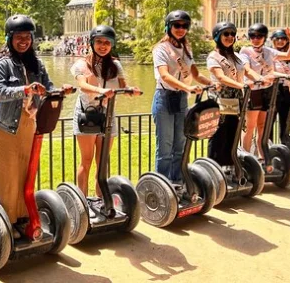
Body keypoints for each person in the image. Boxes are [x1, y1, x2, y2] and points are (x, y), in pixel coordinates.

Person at [0, 15, 72, 237]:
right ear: (9, 38)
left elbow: (47, 87)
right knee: (6, 175)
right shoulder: (1, 62)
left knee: (24, 172)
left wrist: (61, 90)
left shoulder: (36, 63)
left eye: (27, 37)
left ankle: (22, 217)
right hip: (3, 125)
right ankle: (5, 223)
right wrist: (25, 89)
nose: (24, 41)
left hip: (27, 123)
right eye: (19, 37)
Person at [71, 25, 141, 200]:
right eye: (99, 42)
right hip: (87, 114)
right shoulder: (82, 64)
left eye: (107, 43)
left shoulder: (115, 65)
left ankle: (101, 198)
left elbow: (123, 86)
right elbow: (82, 85)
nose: (103, 46)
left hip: (107, 114)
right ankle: (82, 201)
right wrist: (100, 91)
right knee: (86, 160)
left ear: (112, 45)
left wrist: (131, 90)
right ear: (92, 43)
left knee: (102, 161)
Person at [152, 11, 213, 183]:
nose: (181, 29)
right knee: (165, 148)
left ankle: (178, 181)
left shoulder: (187, 48)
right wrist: (187, 87)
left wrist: (212, 84)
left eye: (184, 26)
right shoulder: (161, 49)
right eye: (177, 25)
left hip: (181, 99)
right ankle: (163, 185)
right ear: (168, 27)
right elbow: (165, 75)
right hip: (164, 98)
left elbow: (196, 74)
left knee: (180, 145)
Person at [206, 22, 263, 166]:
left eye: (232, 34)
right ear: (217, 36)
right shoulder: (213, 57)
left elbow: (247, 71)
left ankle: (230, 167)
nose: (230, 36)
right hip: (220, 102)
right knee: (219, 136)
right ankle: (214, 168)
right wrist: (241, 85)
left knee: (233, 134)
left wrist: (261, 79)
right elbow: (221, 77)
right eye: (226, 34)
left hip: (235, 102)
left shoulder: (236, 56)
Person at [239, 24, 290, 157]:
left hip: (267, 91)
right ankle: (246, 158)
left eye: (259, 36)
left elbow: (289, 55)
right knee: (250, 127)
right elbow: (247, 70)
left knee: (262, 126)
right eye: (253, 36)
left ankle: (263, 157)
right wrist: (260, 78)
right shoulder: (245, 51)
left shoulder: (269, 52)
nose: (255, 39)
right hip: (253, 91)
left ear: (264, 38)